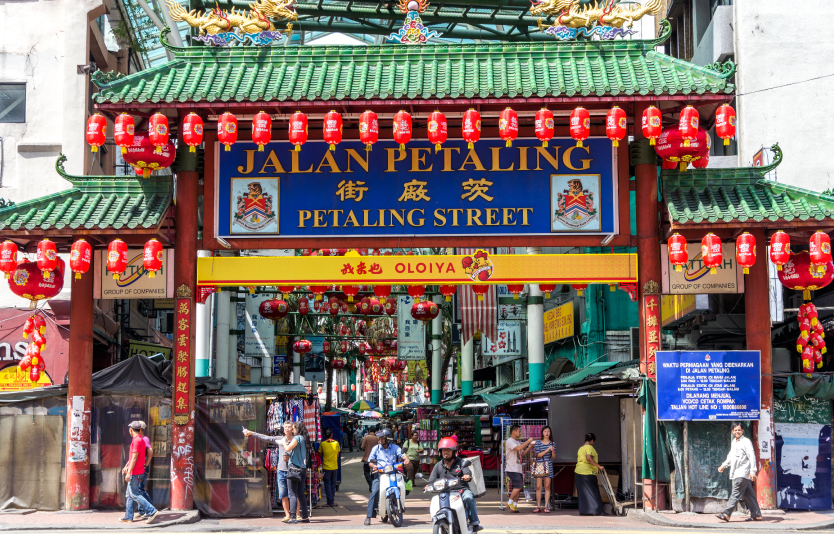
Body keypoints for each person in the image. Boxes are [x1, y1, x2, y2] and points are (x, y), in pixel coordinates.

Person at [243, 421, 296, 522]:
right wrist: (251, 433)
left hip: (292, 470)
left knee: (293, 494)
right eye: (285, 427)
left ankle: (296, 514)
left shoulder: (296, 440)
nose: (287, 429)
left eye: (289, 427)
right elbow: (266, 438)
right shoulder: (280, 439)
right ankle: (287, 515)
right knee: (283, 494)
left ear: (292, 429)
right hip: (281, 470)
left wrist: (290, 458)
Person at [429, 437, 482, 532]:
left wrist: (466, 476)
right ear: (440, 452)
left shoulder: (461, 462)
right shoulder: (438, 465)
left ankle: (474, 523)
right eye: (444, 450)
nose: (446, 452)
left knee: (468, 497)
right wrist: (428, 485)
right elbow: (431, 480)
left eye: (448, 450)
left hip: (461, 490)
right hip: (445, 492)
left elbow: (467, 473)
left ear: (454, 451)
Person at [716, 423, 762, 522]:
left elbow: (752, 456)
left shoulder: (746, 441)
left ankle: (726, 514)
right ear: (733, 431)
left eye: (739, 430)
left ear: (743, 431)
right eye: (735, 430)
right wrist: (724, 465)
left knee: (735, 493)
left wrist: (753, 471)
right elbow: (731, 456)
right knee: (748, 494)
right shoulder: (734, 442)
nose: (737, 432)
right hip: (737, 472)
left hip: (743, 472)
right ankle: (757, 514)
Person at [364, 428, 410, 525]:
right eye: (380, 438)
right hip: (380, 474)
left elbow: (402, 454)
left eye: (383, 438)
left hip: (393, 473)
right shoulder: (375, 448)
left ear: (388, 439)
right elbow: (370, 462)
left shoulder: (395, 447)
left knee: (404, 487)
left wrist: (406, 459)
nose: (380, 440)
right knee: (374, 491)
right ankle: (369, 516)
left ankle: (400, 506)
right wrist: (373, 465)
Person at [120, 422, 158, 523]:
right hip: (138, 471)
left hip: (135, 472)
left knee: (135, 494)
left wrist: (129, 472)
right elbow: (133, 457)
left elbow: (134, 457)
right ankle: (128, 516)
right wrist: (126, 467)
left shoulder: (137, 441)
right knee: (130, 494)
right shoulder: (140, 440)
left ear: (131, 430)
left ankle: (151, 511)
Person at [284, 421, 310, 523]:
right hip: (302, 469)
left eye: (293, 428)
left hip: (294, 468)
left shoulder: (297, 438)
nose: (292, 430)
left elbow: (287, 448)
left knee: (292, 493)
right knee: (300, 493)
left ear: (297, 429)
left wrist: (283, 441)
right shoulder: (303, 439)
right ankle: (305, 517)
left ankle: (293, 517)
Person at [505, 424, 534, 512]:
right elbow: (519, 449)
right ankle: (510, 502)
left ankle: (514, 505)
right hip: (512, 468)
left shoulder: (517, 442)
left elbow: (522, 454)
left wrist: (529, 447)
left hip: (518, 468)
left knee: (519, 487)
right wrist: (528, 441)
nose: (520, 432)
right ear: (513, 431)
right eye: (518, 431)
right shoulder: (510, 441)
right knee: (519, 485)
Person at [575, 432, 605, 516]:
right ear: (592, 440)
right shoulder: (589, 447)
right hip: (588, 472)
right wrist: (599, 467)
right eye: (593, 441)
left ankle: (585, 510)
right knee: (594, 491)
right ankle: (596, 510)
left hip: (578, 472)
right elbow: (589, 458)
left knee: (583, 493)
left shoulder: (581, 448)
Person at [134, 421, 154, 520]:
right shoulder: (140, 439)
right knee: (138, 489)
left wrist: (146, 464)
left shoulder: (144, 439)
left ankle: (151, 510)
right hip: (141, 466)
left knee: (140, 489)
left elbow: (150, 451)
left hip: (143, 466)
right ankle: (142, 511)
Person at [533, 426, 555, 513]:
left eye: (548, 431)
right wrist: (547, 450)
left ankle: (546, 506)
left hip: (549, 465)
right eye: (545, 431)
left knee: (547, 486)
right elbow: (537, 455)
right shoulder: (538, 442)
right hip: (539, 465)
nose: (546, 433)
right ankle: (538, 506)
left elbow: (554, 457)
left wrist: (552, 451)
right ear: (542, 433)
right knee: (538, 486)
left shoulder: (553, 443)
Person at [319, 427, 341, 507]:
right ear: (332, 434)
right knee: (333, 484)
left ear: (324, 435)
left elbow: (320, 454)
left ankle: (330, 502)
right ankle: (332, 501)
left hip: (326, 467)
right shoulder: (336, 443)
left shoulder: (322, 444)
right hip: (335, 467)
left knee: (327, 484)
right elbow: (338, 455)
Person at [360, 425, 380, 492]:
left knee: (366, 472)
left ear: (368, 431)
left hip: (367, 458)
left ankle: (371, 484)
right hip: (375, 459)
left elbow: (362, 447)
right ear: (375, 431)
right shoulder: (378, 438)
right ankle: (371, 486)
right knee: (373, 473)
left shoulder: (366, 437)